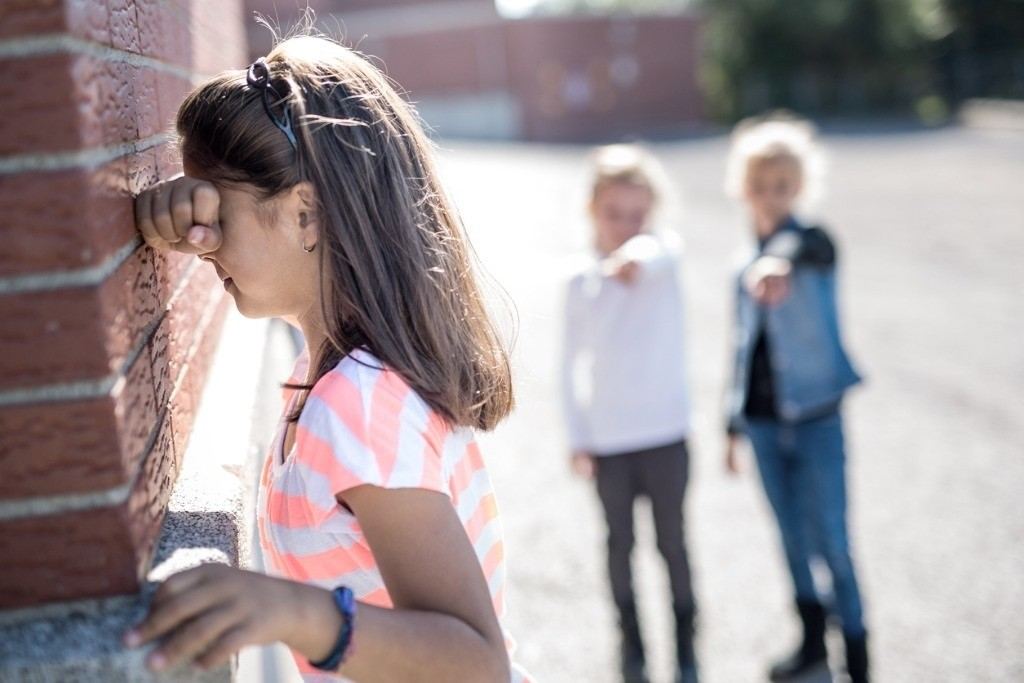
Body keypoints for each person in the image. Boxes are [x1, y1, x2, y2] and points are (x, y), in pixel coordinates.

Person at [126, 33, 530, 682]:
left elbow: (479, 662)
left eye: (217, 215)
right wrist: (155, 216)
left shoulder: (358, 401)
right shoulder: (332, 379)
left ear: (305, 214)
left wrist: (292, 611)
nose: (201, 243)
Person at [722, 116, 869, 683]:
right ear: (744, 188)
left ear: (799, 188)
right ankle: (812, 643)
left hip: (815, 419)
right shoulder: (741, 264)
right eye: (760, 186)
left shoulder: (810, 245)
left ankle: (856, 655)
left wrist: (778, 260)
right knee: (789, 537)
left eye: (783, 186)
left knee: (833, 536)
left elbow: (808, 244)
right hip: (761, 423)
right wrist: (729, 425)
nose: (771, 196)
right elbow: (739, 348)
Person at [561, 145, 697, 683]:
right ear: (593, 209)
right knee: (620, 545)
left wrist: (637, 253)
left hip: (666, 433)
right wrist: (577, 436)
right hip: (609, 441)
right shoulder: (579, 280)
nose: (626, 226)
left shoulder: (663, 254)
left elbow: (657, 253)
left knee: (673, 544)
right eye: (614, 214)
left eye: (637, 215)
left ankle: (686, 648)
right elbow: (567, 365)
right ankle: (632, 648)